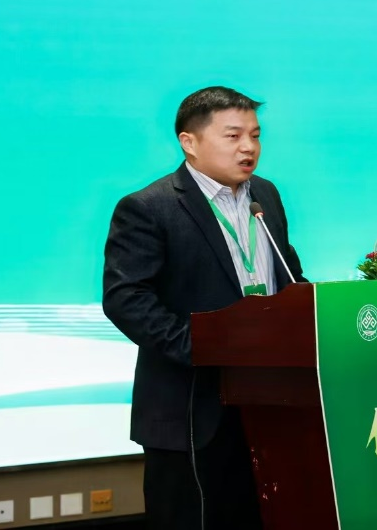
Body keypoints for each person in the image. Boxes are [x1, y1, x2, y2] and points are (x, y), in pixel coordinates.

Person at [102, 85, 307, 529]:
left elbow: (287, 276)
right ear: (189, 142)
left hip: (266, 404)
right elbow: (126, 298)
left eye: (255, 135)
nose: (249, 147)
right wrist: (201, 348)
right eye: (233, 136)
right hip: (191, 410)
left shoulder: (266, 195)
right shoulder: (149, 207)